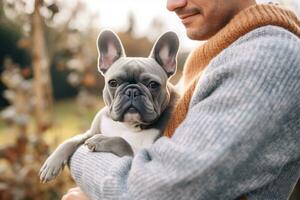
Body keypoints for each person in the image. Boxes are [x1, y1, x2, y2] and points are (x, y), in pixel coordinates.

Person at [62, 0, 300, 199]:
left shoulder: (267, 58)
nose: (172, 4)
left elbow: (149, 193)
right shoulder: (212, 60)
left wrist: (77, 153)